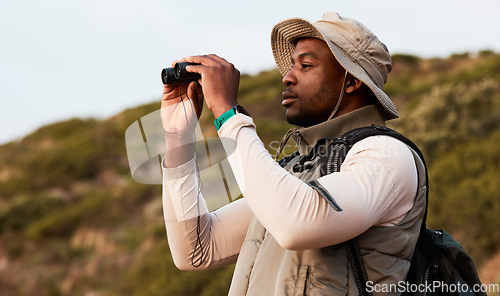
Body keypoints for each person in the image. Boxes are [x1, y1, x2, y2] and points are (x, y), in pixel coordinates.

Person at [161, 12, 426, 295]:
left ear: (351, 82)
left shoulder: (387, 155)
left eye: (306, 65)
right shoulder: (298, 174)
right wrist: (178, 138)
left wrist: (229, 115)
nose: (287, 77)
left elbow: (296, 225)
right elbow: (198, 249)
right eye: (291, 65)